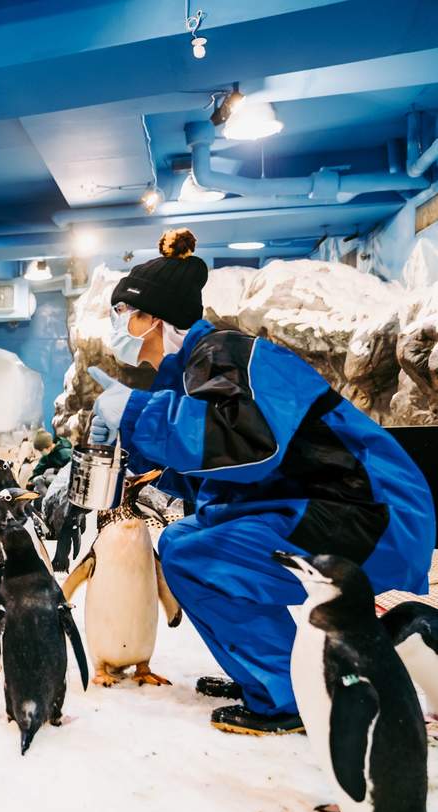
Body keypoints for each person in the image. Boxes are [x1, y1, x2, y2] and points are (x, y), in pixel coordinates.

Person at [87, 229, 434, 735]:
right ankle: (275, 674)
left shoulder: (229, 354)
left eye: (124, 312)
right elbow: (233, 473)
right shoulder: (200, 367)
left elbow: (249, 444)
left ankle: (287, 695)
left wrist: (137, 412)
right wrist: (146, 466)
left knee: (197, 555)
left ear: (154, 317)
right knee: (184, 540)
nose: (118, 325)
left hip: (372, 516)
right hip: (334, 507)